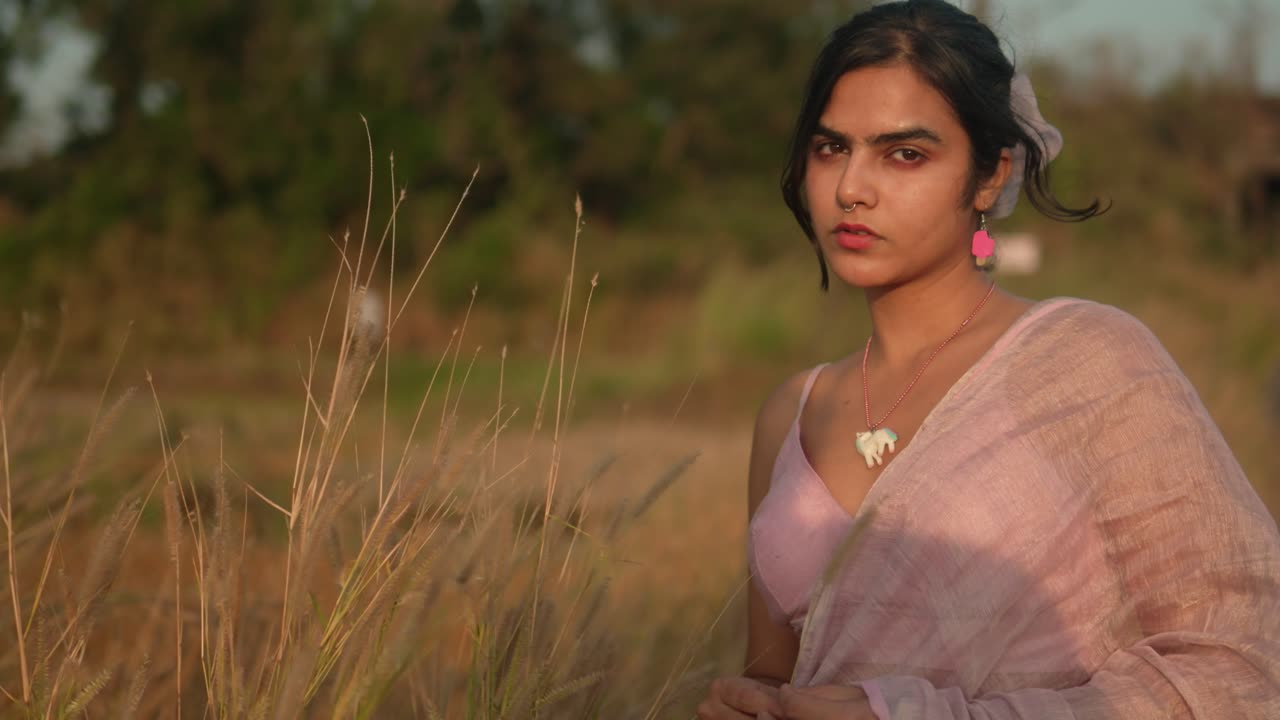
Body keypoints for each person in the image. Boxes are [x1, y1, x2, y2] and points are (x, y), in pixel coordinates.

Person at [696, 1, 1280, 718]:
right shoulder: (791, 412)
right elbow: (778, 682)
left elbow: (1242, 665)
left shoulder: (1086, 363)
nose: (852, 188)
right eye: (830, 148)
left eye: (904, 154)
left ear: (988, 174)